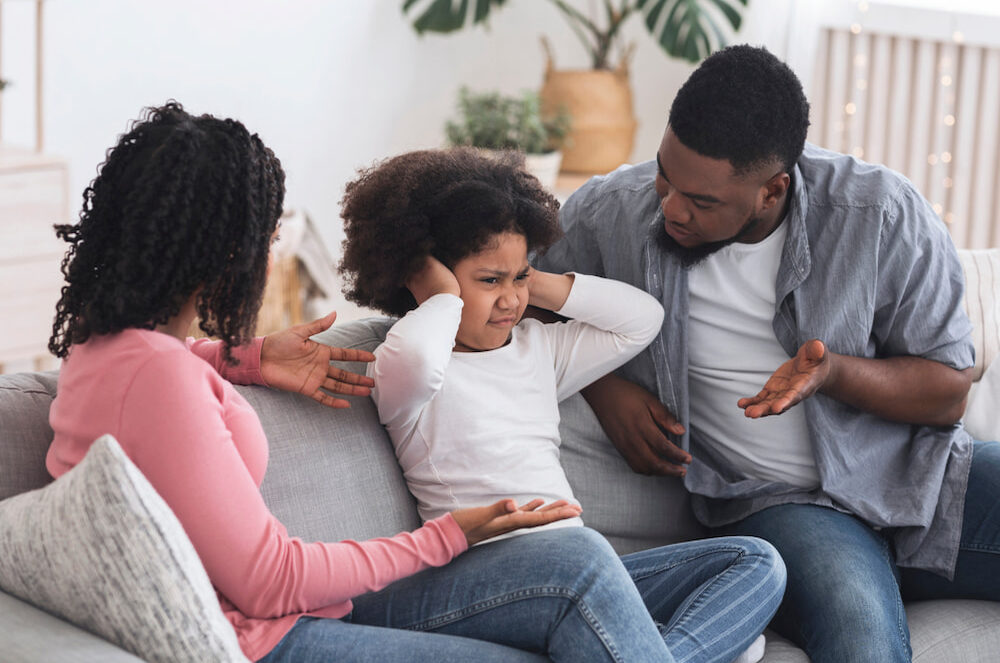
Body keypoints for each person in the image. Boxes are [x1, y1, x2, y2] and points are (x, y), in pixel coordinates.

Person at [46, 102, 705, 663]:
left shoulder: (101, 349)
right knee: (571, 591)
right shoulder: (158, 374)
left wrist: (239, 358)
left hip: (269, 624)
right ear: (222, 250)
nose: (273, 248)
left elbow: (160, 374)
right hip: (262, 640)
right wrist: (450, 535)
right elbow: (272, 578)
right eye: (266, 231)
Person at [535, 44, 1000, 663]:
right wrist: (604, 386)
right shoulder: (609, 213)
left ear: (772, 190)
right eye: (666, 178)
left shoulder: (879, 212)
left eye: (702, 202)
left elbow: (948, 394)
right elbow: (518, 298)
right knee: (861, 636)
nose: (672, 209)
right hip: (778, 507)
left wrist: (832, 373)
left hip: (920, 478)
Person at [338, 147, 786, 663]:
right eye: (489, 280)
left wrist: (532, 281)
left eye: (519, 277)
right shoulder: (402, 365)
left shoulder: (538, 348)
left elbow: (643, 319)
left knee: (755, 560)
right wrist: (436, 290)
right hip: (479, 576)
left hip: (576, 575)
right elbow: (419, 354)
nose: (510, 300)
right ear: (421, 277)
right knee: (587, 554)